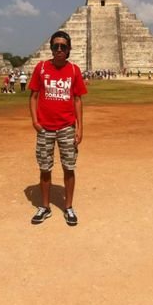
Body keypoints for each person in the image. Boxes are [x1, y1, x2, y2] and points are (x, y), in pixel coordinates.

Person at [29, 30, 87, 226]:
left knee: (69, 167)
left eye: (63, 46)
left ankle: (68, 207)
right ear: (51, 48)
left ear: (69, 49)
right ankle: (45, 207)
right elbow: (34, 96)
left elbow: (78, 100)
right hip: (45, 127)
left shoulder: (74, 71)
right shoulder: (41, 67)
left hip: (67, 127)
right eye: (56, 46)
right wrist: (35, 121)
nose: (59, 49)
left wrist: (80, 128)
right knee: (45, 168)